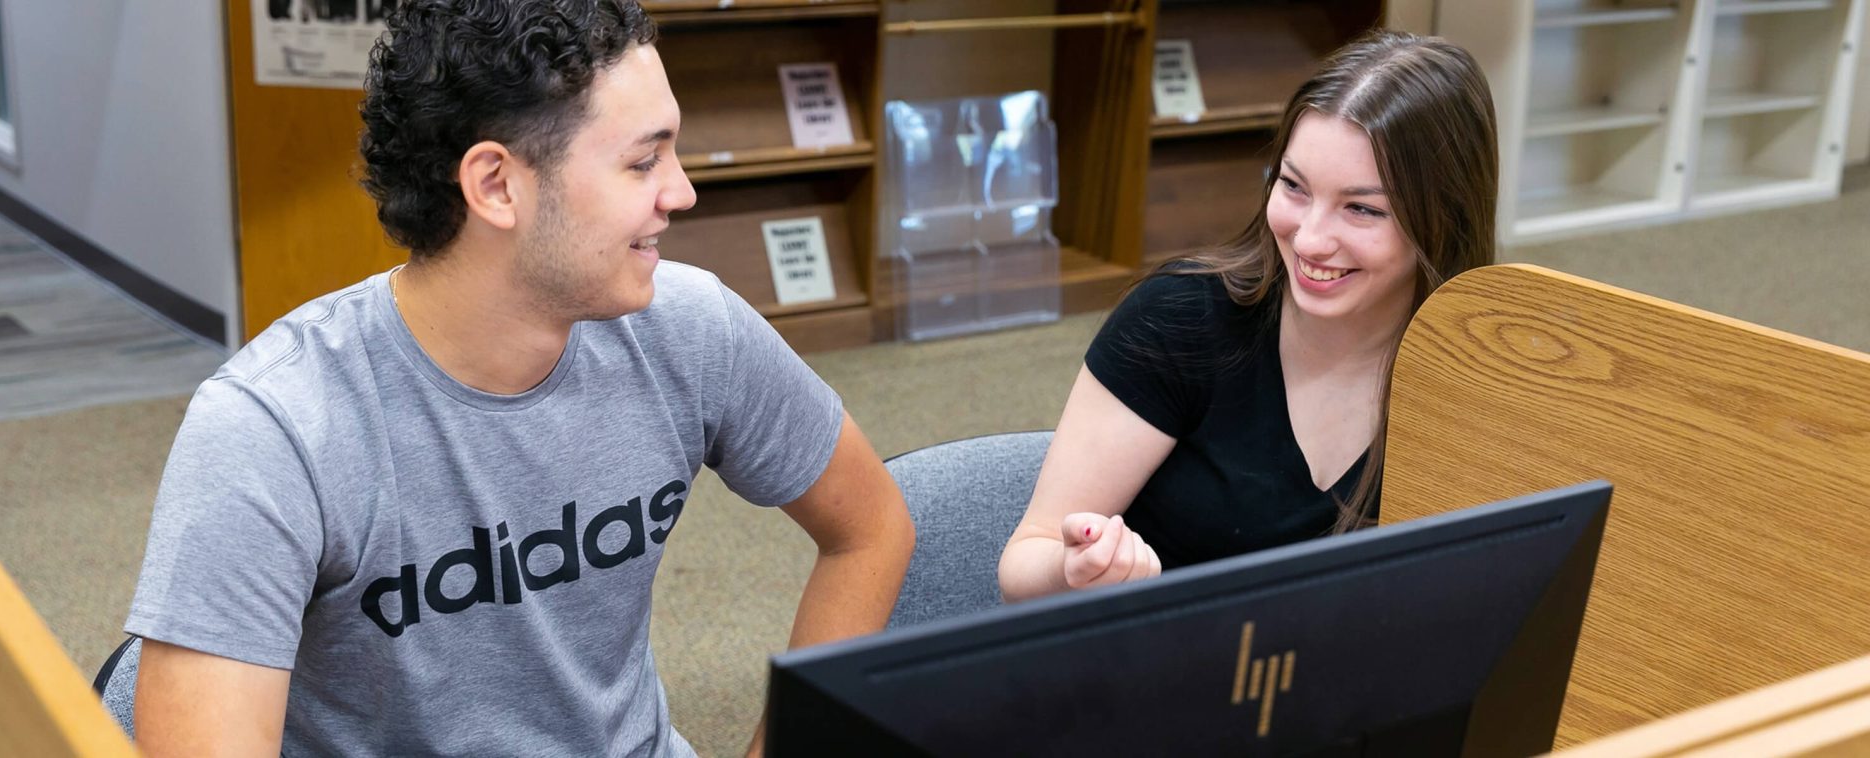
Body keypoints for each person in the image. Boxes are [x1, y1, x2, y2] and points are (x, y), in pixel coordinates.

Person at [124, 2, 915, 756]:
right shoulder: (275, 428)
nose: (682, 192)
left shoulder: (687, 326)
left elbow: (872, 528)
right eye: (643, 161)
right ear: (496, 185)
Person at [998, 30, 1499, 601]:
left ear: (1445, 219)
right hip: (1157, 673)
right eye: (1293, 186)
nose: (1309, 239)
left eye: (1361, 208)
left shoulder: (1482, 378)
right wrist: (1073, 570)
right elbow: (1024, 563)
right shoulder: (1180, 319)